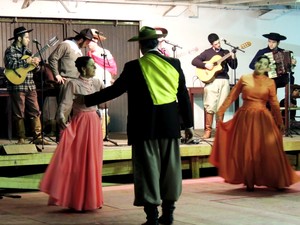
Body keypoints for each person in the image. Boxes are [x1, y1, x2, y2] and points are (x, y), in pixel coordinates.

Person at [82, 26, 194, 225]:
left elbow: (115, 90)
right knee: (171, 170)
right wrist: (189, 125)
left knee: (147, 170)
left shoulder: (134, 66)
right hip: (169, 125)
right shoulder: (175, 64)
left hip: (144, 127)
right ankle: (168, 215)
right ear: (156, 44)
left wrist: (86, 100)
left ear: (141, 46)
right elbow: (183, 96)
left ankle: (152, 218)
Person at [210, 55, 300, 192]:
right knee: (247, 149)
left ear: (268, 68)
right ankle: (249, 180)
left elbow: (274, 103)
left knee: (268, 149)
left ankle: (275, 179)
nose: (261, 65)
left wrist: (280, 121)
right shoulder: (244, 78)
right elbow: (232, 95)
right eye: (260, 62)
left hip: (263, 118)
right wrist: (220, 111)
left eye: (265, 63)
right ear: (256, 64)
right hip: (245, 117)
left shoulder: (270, 82)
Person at [40, 56, 105, 211]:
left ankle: (93, 198)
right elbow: (65, 103)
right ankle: (77, 198)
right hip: (82, 123)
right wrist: (61, 115)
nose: (95, 68)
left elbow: (104, 100)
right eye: (92, 66)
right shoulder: (72, 84)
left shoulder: (97, 82)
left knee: (94, 160)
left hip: (94, 123)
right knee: (80, 160)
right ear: (83, 69)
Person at [4, 26, 51, 145]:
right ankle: (21, 138)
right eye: (26, 37)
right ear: (19, 38)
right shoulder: (10, 50)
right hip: (17, 86)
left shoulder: (28, 52)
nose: (29, 40)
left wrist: (36, 65)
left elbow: (33, 70)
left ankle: (38, 136)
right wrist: (26, 61)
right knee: (19, 112)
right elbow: (10, 64)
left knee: (35, 110)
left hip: (30, 85)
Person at [48, 28, 95, 141]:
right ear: (81, 39)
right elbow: (52, 58)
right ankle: (61, 137)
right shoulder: (66, 45)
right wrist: (57, 75)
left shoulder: (78, 49)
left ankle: (72, 136)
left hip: (76, 82)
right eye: (87, 41)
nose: (88, 44)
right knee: (64, 110)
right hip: (67, 81)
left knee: (76, 110)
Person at [191, 33, 237, 139]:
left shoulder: (225, 52)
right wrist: (205, 65)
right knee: (210, 105)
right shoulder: (207, 53)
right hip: (211, 81)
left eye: (219, 42)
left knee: (221, 106)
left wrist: (234, 57)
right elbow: (194, 61)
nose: (218, 45)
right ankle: (208, 131)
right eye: (216, 44)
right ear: (212, 44)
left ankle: (219, 131)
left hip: (224, 80)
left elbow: (234, 66)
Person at [87, 28, 118, 138]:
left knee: (104, 107)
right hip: (93, 83)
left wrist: (111, 77)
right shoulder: (88, 53)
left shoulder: (105, 52)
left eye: (90, 41)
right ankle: (96, 132)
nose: (87, 44)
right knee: (94, 107)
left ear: (95, 41)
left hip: (104, 81)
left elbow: (112, 67)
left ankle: (103, 133)